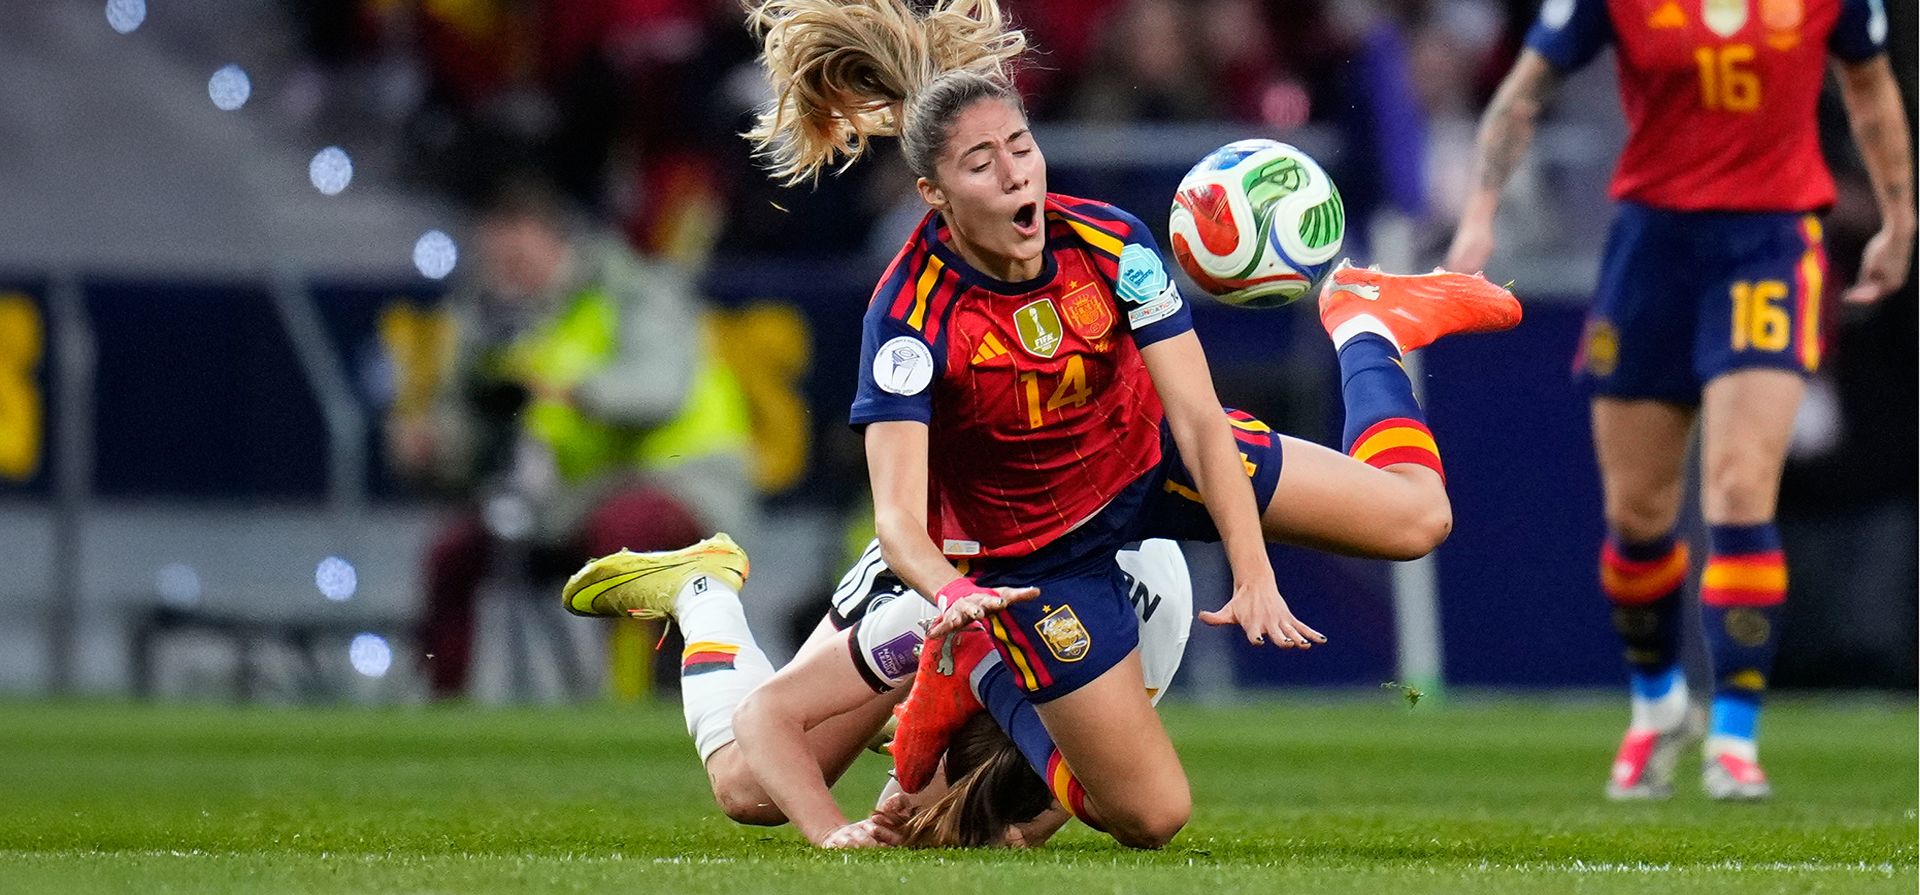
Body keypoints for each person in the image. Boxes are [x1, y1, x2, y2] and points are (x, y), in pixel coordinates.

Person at [732, 0, 1521, 849]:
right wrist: (956, 596)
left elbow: (1197, 416)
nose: (1016, 176)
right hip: (1035, 556)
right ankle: (973, 669)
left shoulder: (1112, 243)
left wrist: (1251, 571)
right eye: (982, 164)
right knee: (1147, 817)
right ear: (934, 195)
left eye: (1023, 149)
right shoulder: (909, 316)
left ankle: (1366, 321)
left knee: (1418, 518)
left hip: (1153, 463)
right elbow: (895, 516)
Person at [1445, 0, 1911, 800]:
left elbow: (1870, 87)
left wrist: (1900, 216)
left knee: (1737, 487)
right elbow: (1526, 89)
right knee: (1638, 516)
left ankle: (1735, 734)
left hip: (1770, 243)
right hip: (1652, 249)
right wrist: (1479, 217)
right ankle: (1658, 703)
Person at [561, 535, 1196, 848]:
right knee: (752, 791)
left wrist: (997, 831)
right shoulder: (930, 621)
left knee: (952, 830)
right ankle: (702, 590)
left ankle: (916, 752)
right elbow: (766, 715)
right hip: (941, 555)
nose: (895, 794)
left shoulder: (1118, 675)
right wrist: (832, 832)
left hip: (1106, 593)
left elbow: (1078, 796)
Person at [390, 177, 756, 698]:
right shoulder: (491, 318)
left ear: (558, 242)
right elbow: (477, 428)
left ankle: (636, 700)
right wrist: (434, 447)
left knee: (623, 537)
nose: (507, 275)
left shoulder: (636, 290)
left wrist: (576, 391)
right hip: (570, 499)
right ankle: (443, 706)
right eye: (497, 261)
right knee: (452, 553)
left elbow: (660, 392)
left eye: (518, 258)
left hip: (684, 481)